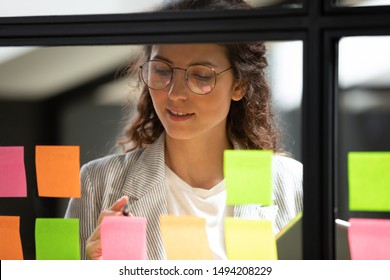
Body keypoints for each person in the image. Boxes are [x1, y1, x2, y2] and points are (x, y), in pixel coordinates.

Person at [65, 0, 303, 260]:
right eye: (161, 71)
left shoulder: (291, 182)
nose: (175, 93)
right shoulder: (98, 182)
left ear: (240, 85)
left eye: (201, 76)